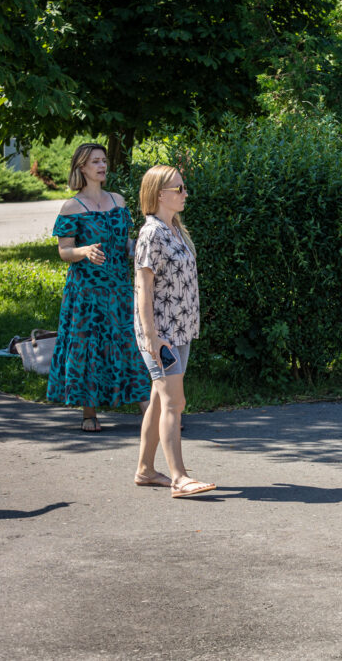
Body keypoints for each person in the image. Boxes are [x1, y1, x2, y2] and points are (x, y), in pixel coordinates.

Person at [47, 143, 150, 432]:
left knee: (129, 345)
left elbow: (125, 244)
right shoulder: (71, 207)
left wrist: (140, 246)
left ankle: (150, 413)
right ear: (82, 167)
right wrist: (84, 251)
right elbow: (64, 252)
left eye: (104, 160)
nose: (102, 165)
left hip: (118, 289)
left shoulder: (118, 201)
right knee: (88, 348)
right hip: (86, 293)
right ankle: (89, 413)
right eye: (95, 161)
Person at [134, 165, 215, 498]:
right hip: (162, 332)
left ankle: (145, 471)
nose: (185, 193)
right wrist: (152, 335)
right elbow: (143, 286)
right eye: (178, 189)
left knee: (158, 401)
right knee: (174, 402)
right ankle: (179, 478)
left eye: (184, 187)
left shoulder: (175, 229)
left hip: (179, 330)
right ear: (159, 194)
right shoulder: (152, 232)